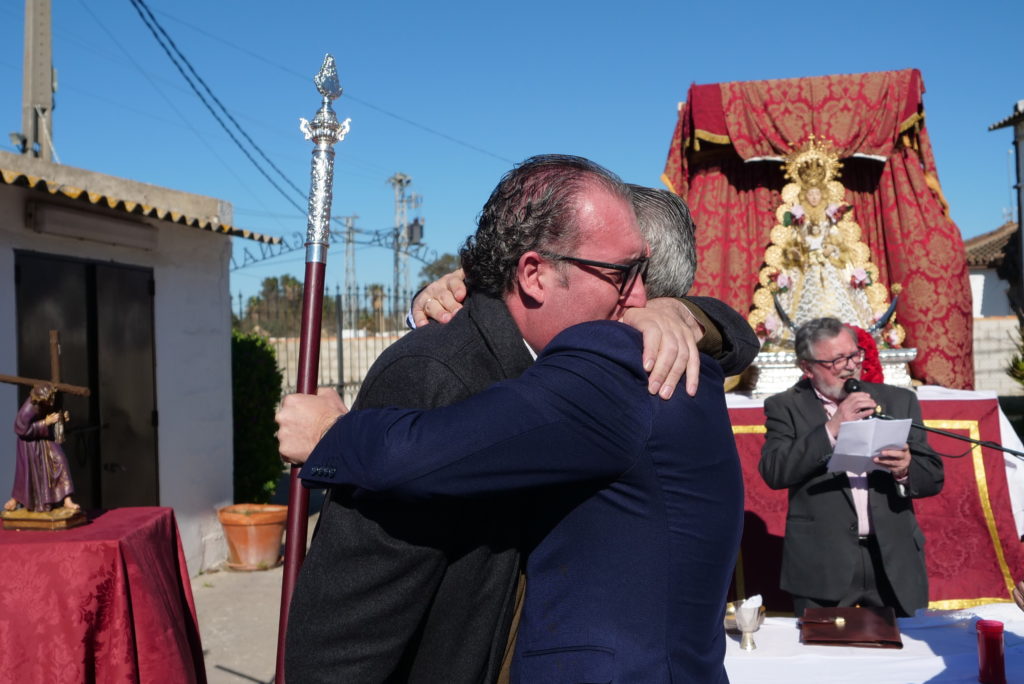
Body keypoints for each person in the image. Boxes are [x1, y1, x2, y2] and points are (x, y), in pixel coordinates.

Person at [280, 156, 757, 683]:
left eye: (644, 279)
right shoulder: (437, 369)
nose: (639, 297)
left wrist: (328, 433)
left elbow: (419, 456)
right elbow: (356, 610)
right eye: (624, 275)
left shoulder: (625, 361)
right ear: (533, 272)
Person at [758, 317, 943, 617]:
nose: (850, 366)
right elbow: (774, 471)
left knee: (906, 657)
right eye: (836, 360)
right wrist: (831, 428)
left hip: (893, 560)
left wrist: (906, 468)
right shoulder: (785, 407)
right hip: (822, 562)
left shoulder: (897, 401)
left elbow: (934, 476)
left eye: (854, 355)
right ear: (807, 367)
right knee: (824, 659)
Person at [5, 383, 79, 513]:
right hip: (30, 444)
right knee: (29, 474)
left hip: (44, 439)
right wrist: (45, 422)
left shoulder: (48, 403)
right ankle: (16, 500)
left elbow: (51, 418)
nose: (51, 402)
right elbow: (21, 429)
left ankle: (67, 499)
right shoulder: (28, 409)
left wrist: (60, 420)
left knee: (61, 461)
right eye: (49, 400)